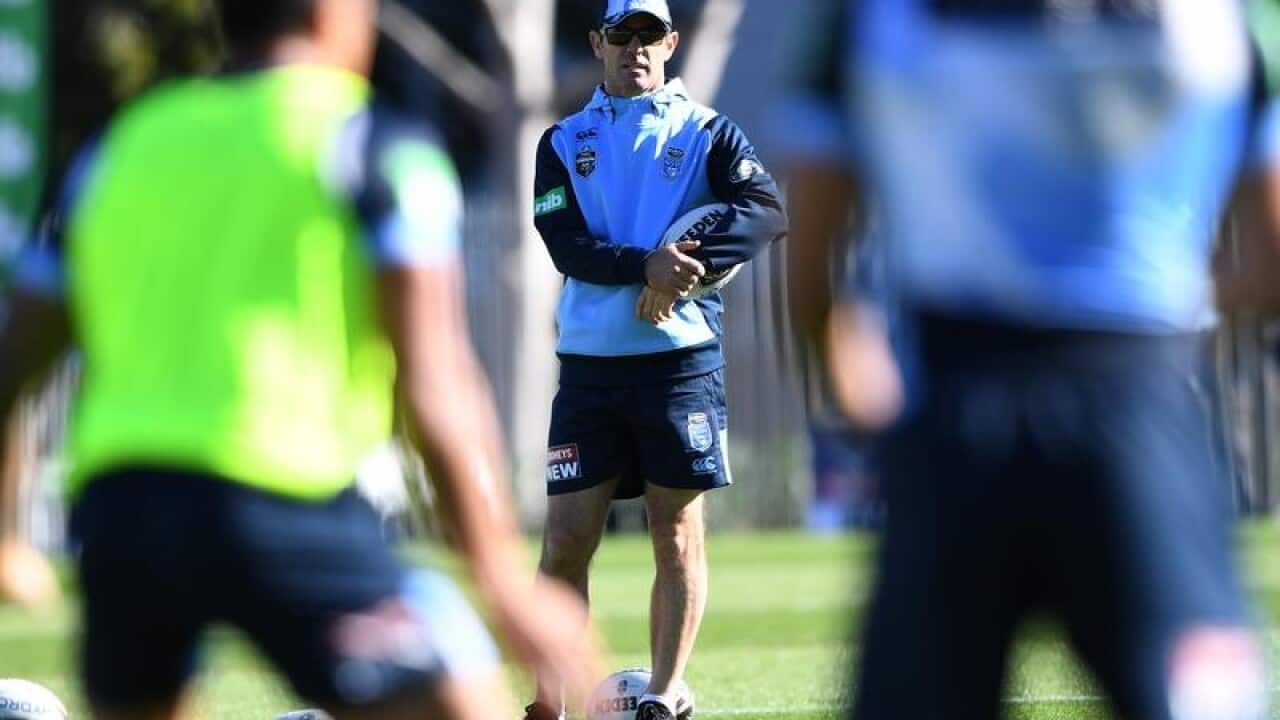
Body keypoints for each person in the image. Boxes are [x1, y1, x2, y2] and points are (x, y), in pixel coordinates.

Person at [0, 1, 599, 718]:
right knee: (461, 703)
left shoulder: (120, 146)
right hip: (281, 500)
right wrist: (501, 574)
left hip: (122, 519)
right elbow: (435, 383)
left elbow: (15, 363)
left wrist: (5, 534)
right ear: (334, 12)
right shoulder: (369, 144)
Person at [779, 1, 1273, 719]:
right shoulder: (1225, 15)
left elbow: (809, 273)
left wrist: (855, 382)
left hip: (955, 409)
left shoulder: (871, 15)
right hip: (1138, 403)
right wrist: (1160, 314)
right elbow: (1269, 260)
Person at [527, 1, 786, 719]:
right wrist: (647, 267)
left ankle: (665, 698)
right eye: (621, 34)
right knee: (565, 541)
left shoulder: (709, 132)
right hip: (589, 365)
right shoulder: (562, 141)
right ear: (597, 43)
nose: (635, 46)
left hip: (680, 365)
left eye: (649, 34)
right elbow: (562, 240)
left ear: (672, 43)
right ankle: (552, 703)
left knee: (675, 533)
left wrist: (687, 271)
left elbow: (766, 212)